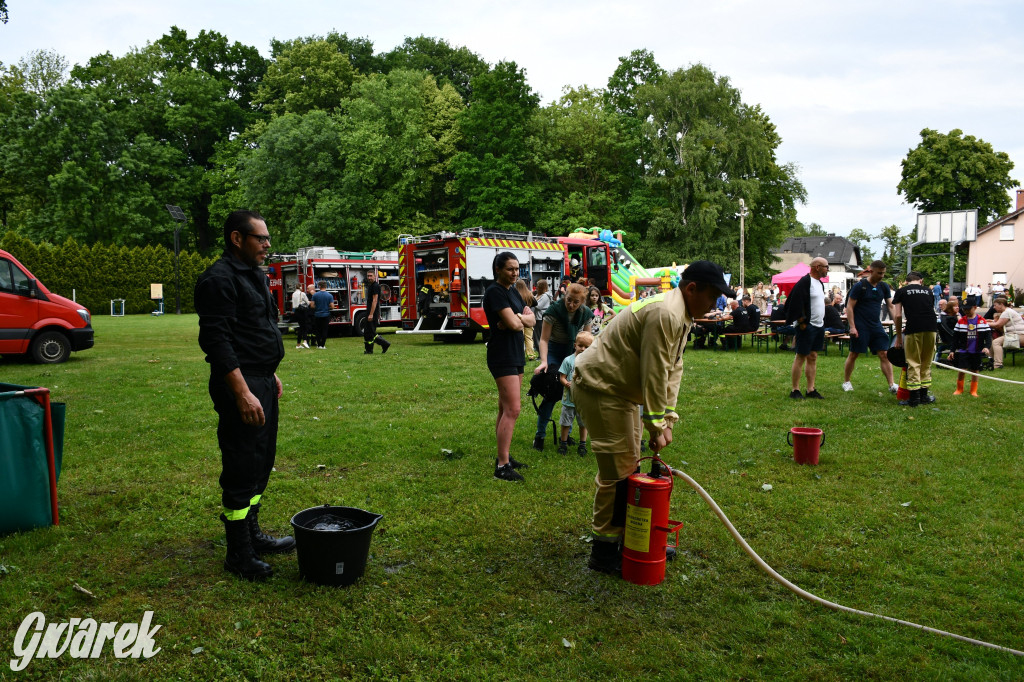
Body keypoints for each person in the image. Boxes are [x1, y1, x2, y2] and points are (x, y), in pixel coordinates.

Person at [572, 261, 731, 575]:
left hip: (618, 391)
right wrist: (655, 425)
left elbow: (674, 368)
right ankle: (604, 553)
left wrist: (666, 420)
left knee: (629, 465)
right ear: (692, 288)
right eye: (711, 297)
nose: (714, 305)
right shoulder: (665, 313)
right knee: (617, 474)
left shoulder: (680, 313)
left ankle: (629, 540)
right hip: (600, 388)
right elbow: (655, 373)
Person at [195, 209, 294, 581]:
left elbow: (255, 331)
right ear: (237, 239)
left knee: (260, 460)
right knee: (241, 464)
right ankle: (238, 552)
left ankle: (252, 535)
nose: (268, 245)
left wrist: (270, 374)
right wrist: (243, 391)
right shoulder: (218, 280)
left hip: (261, 380)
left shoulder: (253, 275)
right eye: (261, 239)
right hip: (240, 386)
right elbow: (216, 342)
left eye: (268, 239)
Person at [484, 251, 535, 482]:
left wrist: (518, 319)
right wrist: (518, 319)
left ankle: (503, 457)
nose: (515, 273)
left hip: (516, 353)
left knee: (505, 409)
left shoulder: (513, 291)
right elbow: (517, 324)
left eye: (517, 269)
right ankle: (502, 467)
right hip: (502, 355)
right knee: (513, 409)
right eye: (510, 269)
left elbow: (531, 320)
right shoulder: (495, 292)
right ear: (498, 270)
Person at [533, 283, 593, 451]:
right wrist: (544, 361)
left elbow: (588, 340)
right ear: (563, 296)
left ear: (582, 302)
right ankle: (540, 435)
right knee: (552, 392)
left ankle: (566, 436)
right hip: (554, 350)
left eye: (576, 302)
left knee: (574, 393)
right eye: (568, 300)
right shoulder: (553, 311)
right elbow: (543, 339)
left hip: (574, 351)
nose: (571, 305)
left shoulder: (586, 313)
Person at [843, 260, 898, 394]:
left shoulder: (884, 287)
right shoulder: (860, 286)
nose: (882, 276)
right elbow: (849, 307)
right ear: (871, 271)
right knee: (854, 353)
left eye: (884, 273)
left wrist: (898, 324)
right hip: (860, 325)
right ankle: (847, 382)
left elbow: (890, 306)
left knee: (884, 353)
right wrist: (852, 327)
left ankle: (891, 384)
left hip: (875, 325)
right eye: (879, 273)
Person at [891, 271, 938, 407]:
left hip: (914, 328)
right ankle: (924, 396)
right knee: (926, 361)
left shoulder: (902, 291)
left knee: (913, 361)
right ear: (921, 281)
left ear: (906, 281)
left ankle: (913, 399)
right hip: (931, 327)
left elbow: (898, 315)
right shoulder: (928, 291)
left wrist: (899, 336)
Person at [785, 257, 828, 399]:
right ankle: (795, 390)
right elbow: (794, 302)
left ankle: (810, 389)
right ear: (817, 267)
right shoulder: (805, 282)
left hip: (819, 325)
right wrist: (802, 322)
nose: (827, 269)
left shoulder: (820, 284)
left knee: (813, 356)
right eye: (826, 267)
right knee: (801, 356)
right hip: (807, 326)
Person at [557, 330, 594, 456]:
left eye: (586, 347)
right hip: (569, 400)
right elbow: (561, 377)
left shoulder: (591, 362)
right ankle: (563, 443)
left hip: (583, 402)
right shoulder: (568, 360)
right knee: (565, 422)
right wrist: (566, 383)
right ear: (575, 345)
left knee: (583, 424)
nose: (583, 349)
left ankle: (582, 444)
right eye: (580, 345)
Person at [948, 301, 992, 397]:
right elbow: (955, 338)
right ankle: (959, 389)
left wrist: (986, 347)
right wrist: (952, 350)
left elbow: (988, 336)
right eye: (964, 309)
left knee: (975, 370)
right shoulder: (960, 322)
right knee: (962, 370)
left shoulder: (982, 321)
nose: (966, 311)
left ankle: (973, 390)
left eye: (968, 309)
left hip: (976, 350)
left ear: (975, 307)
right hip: (964, 350)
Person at [360, 270, 392, 355]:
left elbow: (375, 301)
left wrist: (371, 314)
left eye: (371, 276)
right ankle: (369, 350)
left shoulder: (375, 286)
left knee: (371, 332)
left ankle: (385, 344)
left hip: (372, 312)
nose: (369, 277)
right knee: (367, 333)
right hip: (370, 311)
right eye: (368, 276)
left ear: (375, 276)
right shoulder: (371, 286)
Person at [988, 297, 1024, 369]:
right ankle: (991, 361)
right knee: (992, 342)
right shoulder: (1008, 311)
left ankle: (998, 364)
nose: (994, 307)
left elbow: (998, 325)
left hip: (1019, 336)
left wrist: (983, 323)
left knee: (995, 342)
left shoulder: (1006, 312)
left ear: (1001, 304)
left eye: (995, 305)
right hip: (1018, 335)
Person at [516, 279, 538, 360]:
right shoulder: (529, 293)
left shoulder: (515, 294)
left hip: (519, 318)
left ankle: (520, 355)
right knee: (529, 337)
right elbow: (536, 303)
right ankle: (531, 355)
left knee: (519, 337)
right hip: (528, 318)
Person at [311, 281, 333, 349]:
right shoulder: (329, 295)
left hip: (317, 315)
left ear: (319, 286)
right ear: (326, 286)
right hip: (326, 315)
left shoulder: (315, 295)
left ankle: (318, 345)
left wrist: (317, 307)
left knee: (318, 330)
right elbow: (332, 306)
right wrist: (327, 307)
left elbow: (312, 306)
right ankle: (323, 345)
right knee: (324, 330)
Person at [533, 279, 552, 356]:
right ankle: (540, 353)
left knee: (540, 337)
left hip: (541, 318)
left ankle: (542, 354)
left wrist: (532, 299)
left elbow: (538, 306)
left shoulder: (545, 296)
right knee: (536, 337)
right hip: (538, 318)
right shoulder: (539, 295)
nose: (536, 287)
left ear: (541, 287)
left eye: (537, 286)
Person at [291, 284, 310, 349]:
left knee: (301, 327)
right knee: (304, 327)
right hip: (302, 311)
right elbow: (307, 302)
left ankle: (298, 344)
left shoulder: (293, 294)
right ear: (300, 287)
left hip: (296, 311)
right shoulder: (302, 293)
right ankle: (305, 341)